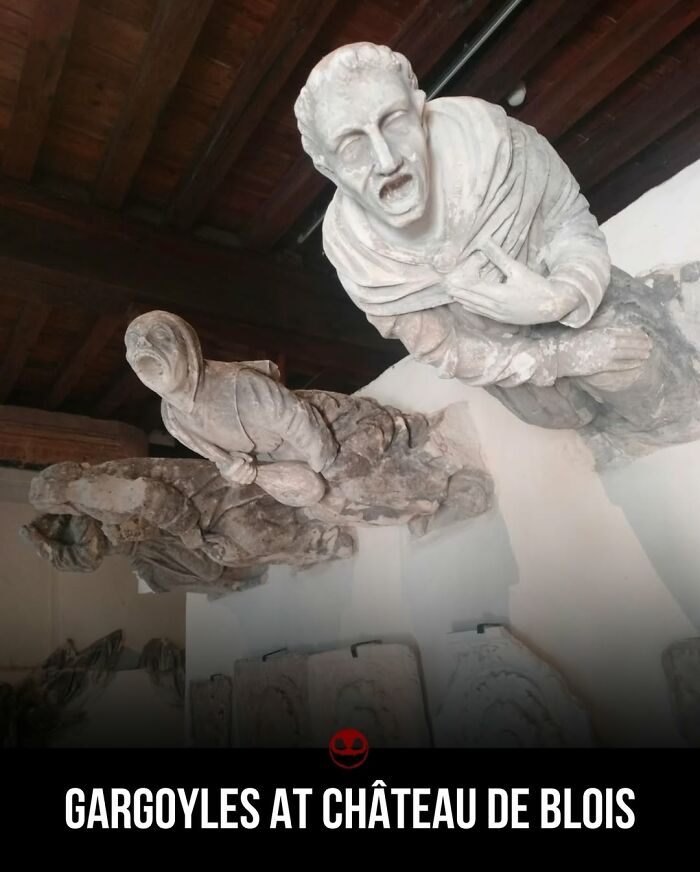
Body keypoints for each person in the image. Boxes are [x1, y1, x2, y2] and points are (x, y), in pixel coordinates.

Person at [295, 42, 661, 430]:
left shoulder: (500, 146)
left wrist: (559, 297)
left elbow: (570, 223)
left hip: (585, 307)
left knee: (644, 382)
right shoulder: (362, 261)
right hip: (517, 374)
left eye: (395, 121)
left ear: (420, 112)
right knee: (568, 418)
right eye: (352, 146)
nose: (387, 160)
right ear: (328, 168)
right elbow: (447, 348)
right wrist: (562, 357)